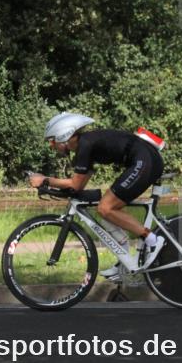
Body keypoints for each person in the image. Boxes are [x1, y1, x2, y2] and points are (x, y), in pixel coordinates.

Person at [28, 112, 165, 281]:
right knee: (106, 210)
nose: (51, 145)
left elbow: (75, 184)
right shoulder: (84, 146)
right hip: (144, 158)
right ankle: (125, 261)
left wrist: (45, 180)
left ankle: (153, 241)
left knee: (106, 207)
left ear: (64, 135)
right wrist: (54, 187)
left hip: (144, 160)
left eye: (52, 140)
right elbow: (79, 186)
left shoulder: (85, 145)